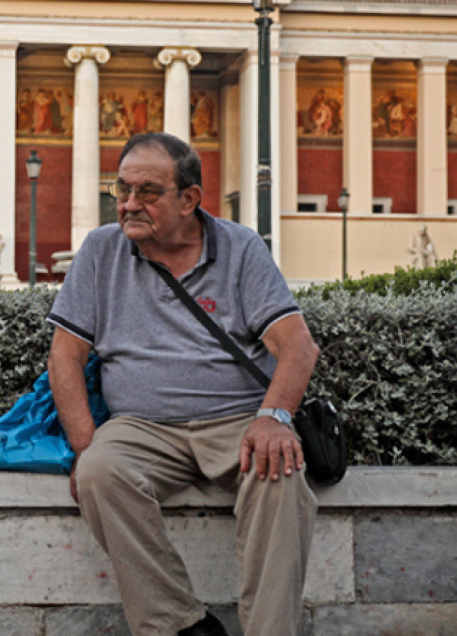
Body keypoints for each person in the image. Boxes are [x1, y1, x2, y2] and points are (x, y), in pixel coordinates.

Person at [48, 132, 320, 636]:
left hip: (239, 421)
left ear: (189, 199)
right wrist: (85, 445)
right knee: (99, 472)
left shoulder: (239, 247)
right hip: (141, 427)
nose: (128, 205)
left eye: (147, 192)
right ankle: (181, 625)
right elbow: (65, 355)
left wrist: (274, 416)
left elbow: (298, 346)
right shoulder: (101, 250)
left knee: (281, 479)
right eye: (121, 190)